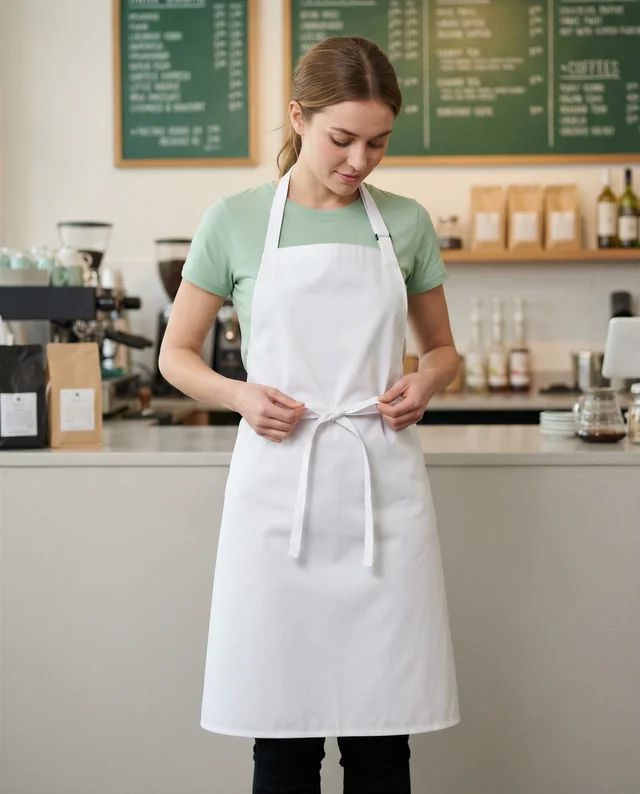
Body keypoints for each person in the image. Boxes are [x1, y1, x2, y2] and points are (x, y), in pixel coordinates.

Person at [159, 35, 460, 794]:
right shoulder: (234, 220)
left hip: (379, 498)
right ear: (299, 117)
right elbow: (177, 356)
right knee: (283, 745)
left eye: (378, 143)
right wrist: (241, 395)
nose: (359, 160)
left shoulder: (408, 224)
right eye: (341, 139)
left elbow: (445, 352)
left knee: (382, 745)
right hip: (278, 494)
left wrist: (425, 382)